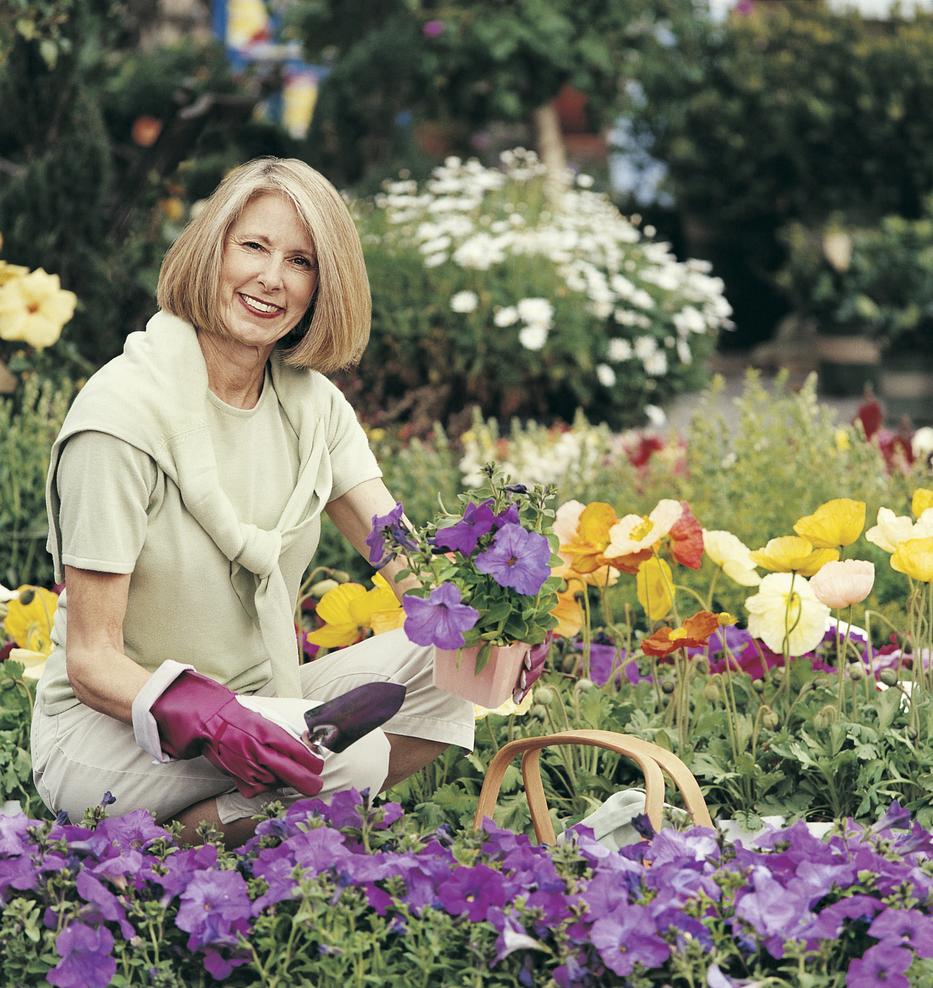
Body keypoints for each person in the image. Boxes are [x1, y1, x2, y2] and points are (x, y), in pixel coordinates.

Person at [29, 157, 483, 847]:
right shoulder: (120, 417)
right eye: (253, 246)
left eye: (299, 260)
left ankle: (251, 819)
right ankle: (184, 847)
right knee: (348, 757)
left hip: (268, 697)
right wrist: (211, 718)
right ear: (211, 252)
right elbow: (92, 661)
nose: (272, 277)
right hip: (109, 735)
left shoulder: (312, 407)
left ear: (320, 286)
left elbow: (402, 555)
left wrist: (491, 628)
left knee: (457, 662)